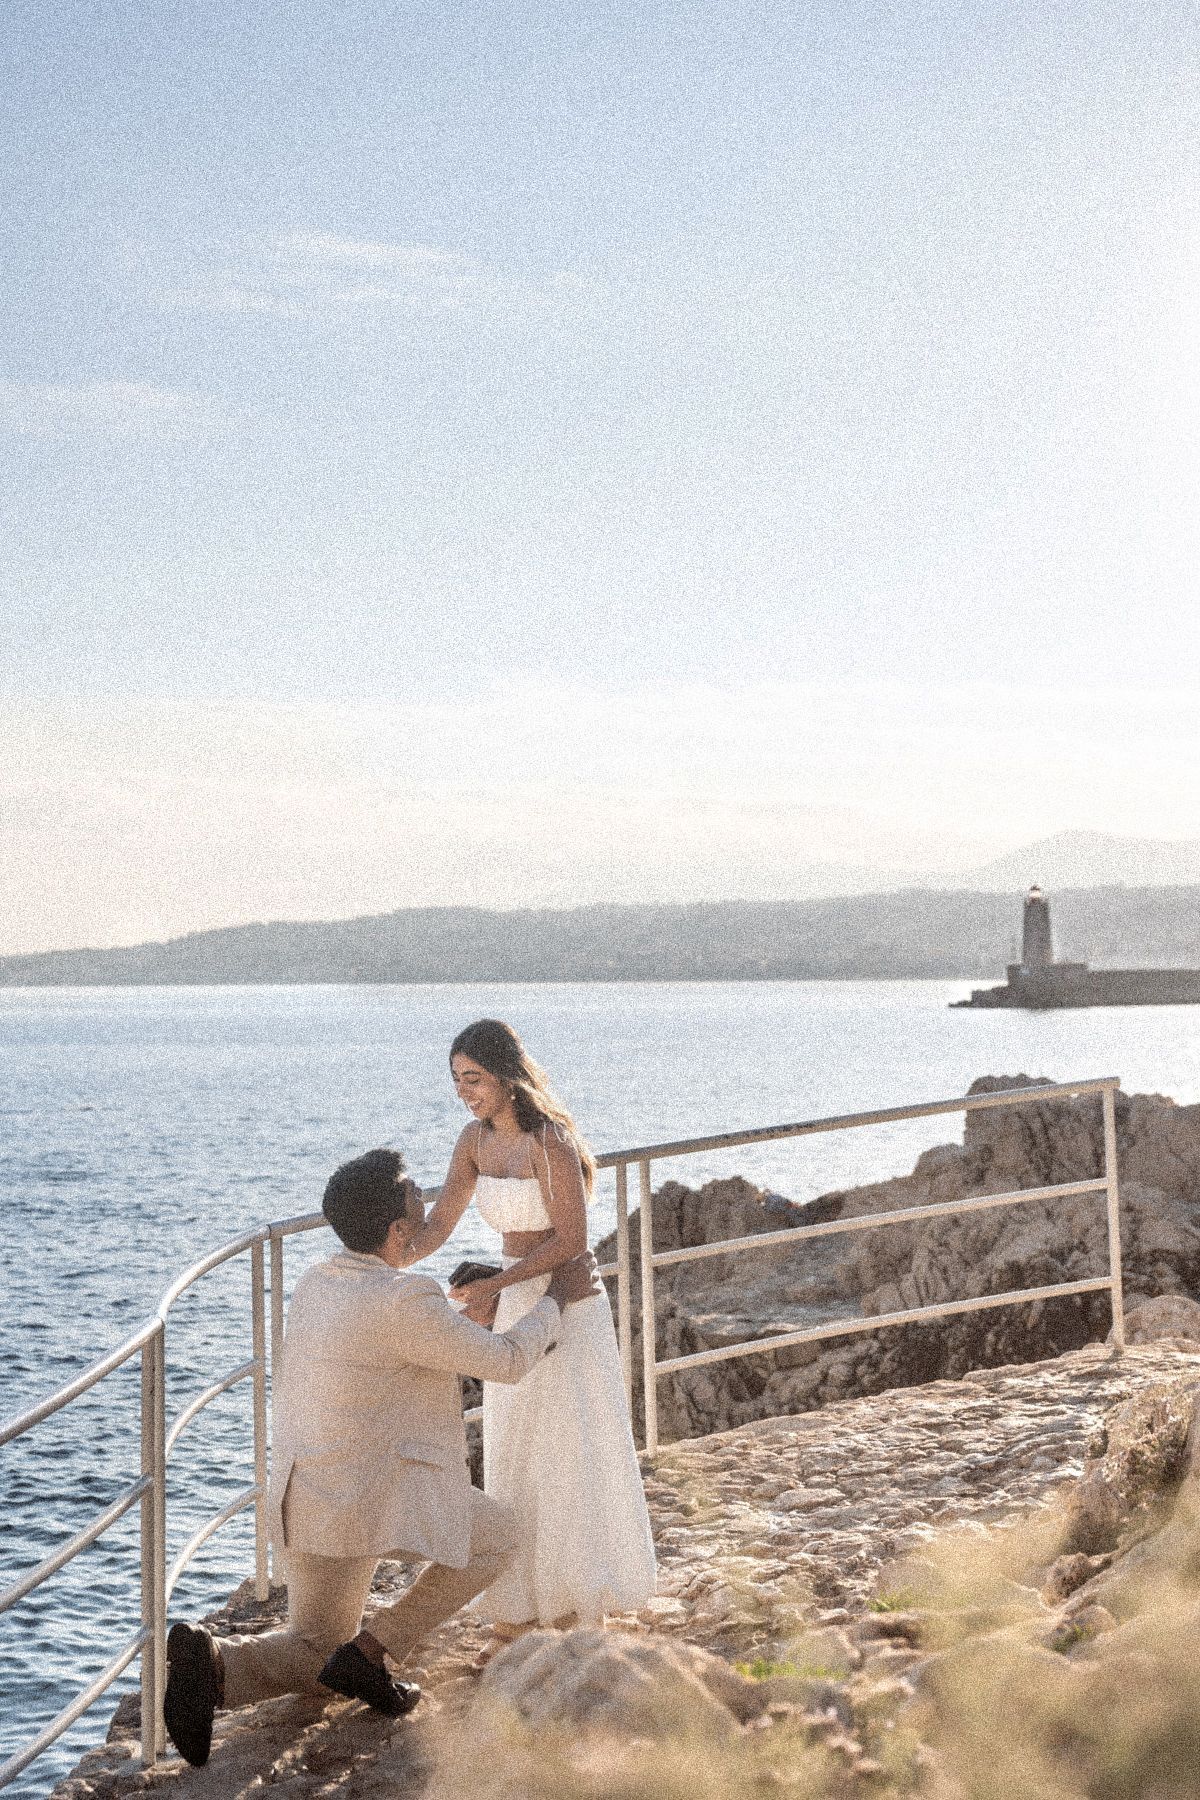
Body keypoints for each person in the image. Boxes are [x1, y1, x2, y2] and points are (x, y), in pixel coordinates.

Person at [162, 1147, 599, 1768]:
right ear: (398, 1229)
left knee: (318, 1653)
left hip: (304, 1491)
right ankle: (377, 1650)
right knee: (501, 1537)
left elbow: (387, 1331)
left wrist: (455, 1312)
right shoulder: (404, 1298)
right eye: (416, 1197)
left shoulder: (320, 1279)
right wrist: (556, 1296)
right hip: (365, 1497)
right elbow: (504, 1363)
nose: (426, 1203)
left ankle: (216, 1665)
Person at [399, 1019, 656, 1646]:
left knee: (570, 1447)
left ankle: (581, 1590)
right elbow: (438, 1225)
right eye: (457, 1081)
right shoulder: (472, 1143)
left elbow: (570, 1242)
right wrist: (382, 1258)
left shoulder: (551, 1145)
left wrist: (495, 1284)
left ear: (506, 1075)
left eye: (475, 1079)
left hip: (569, 1303)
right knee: (515, 1444)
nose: (465, 1092)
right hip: (516, 1302)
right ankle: (522, 1595)